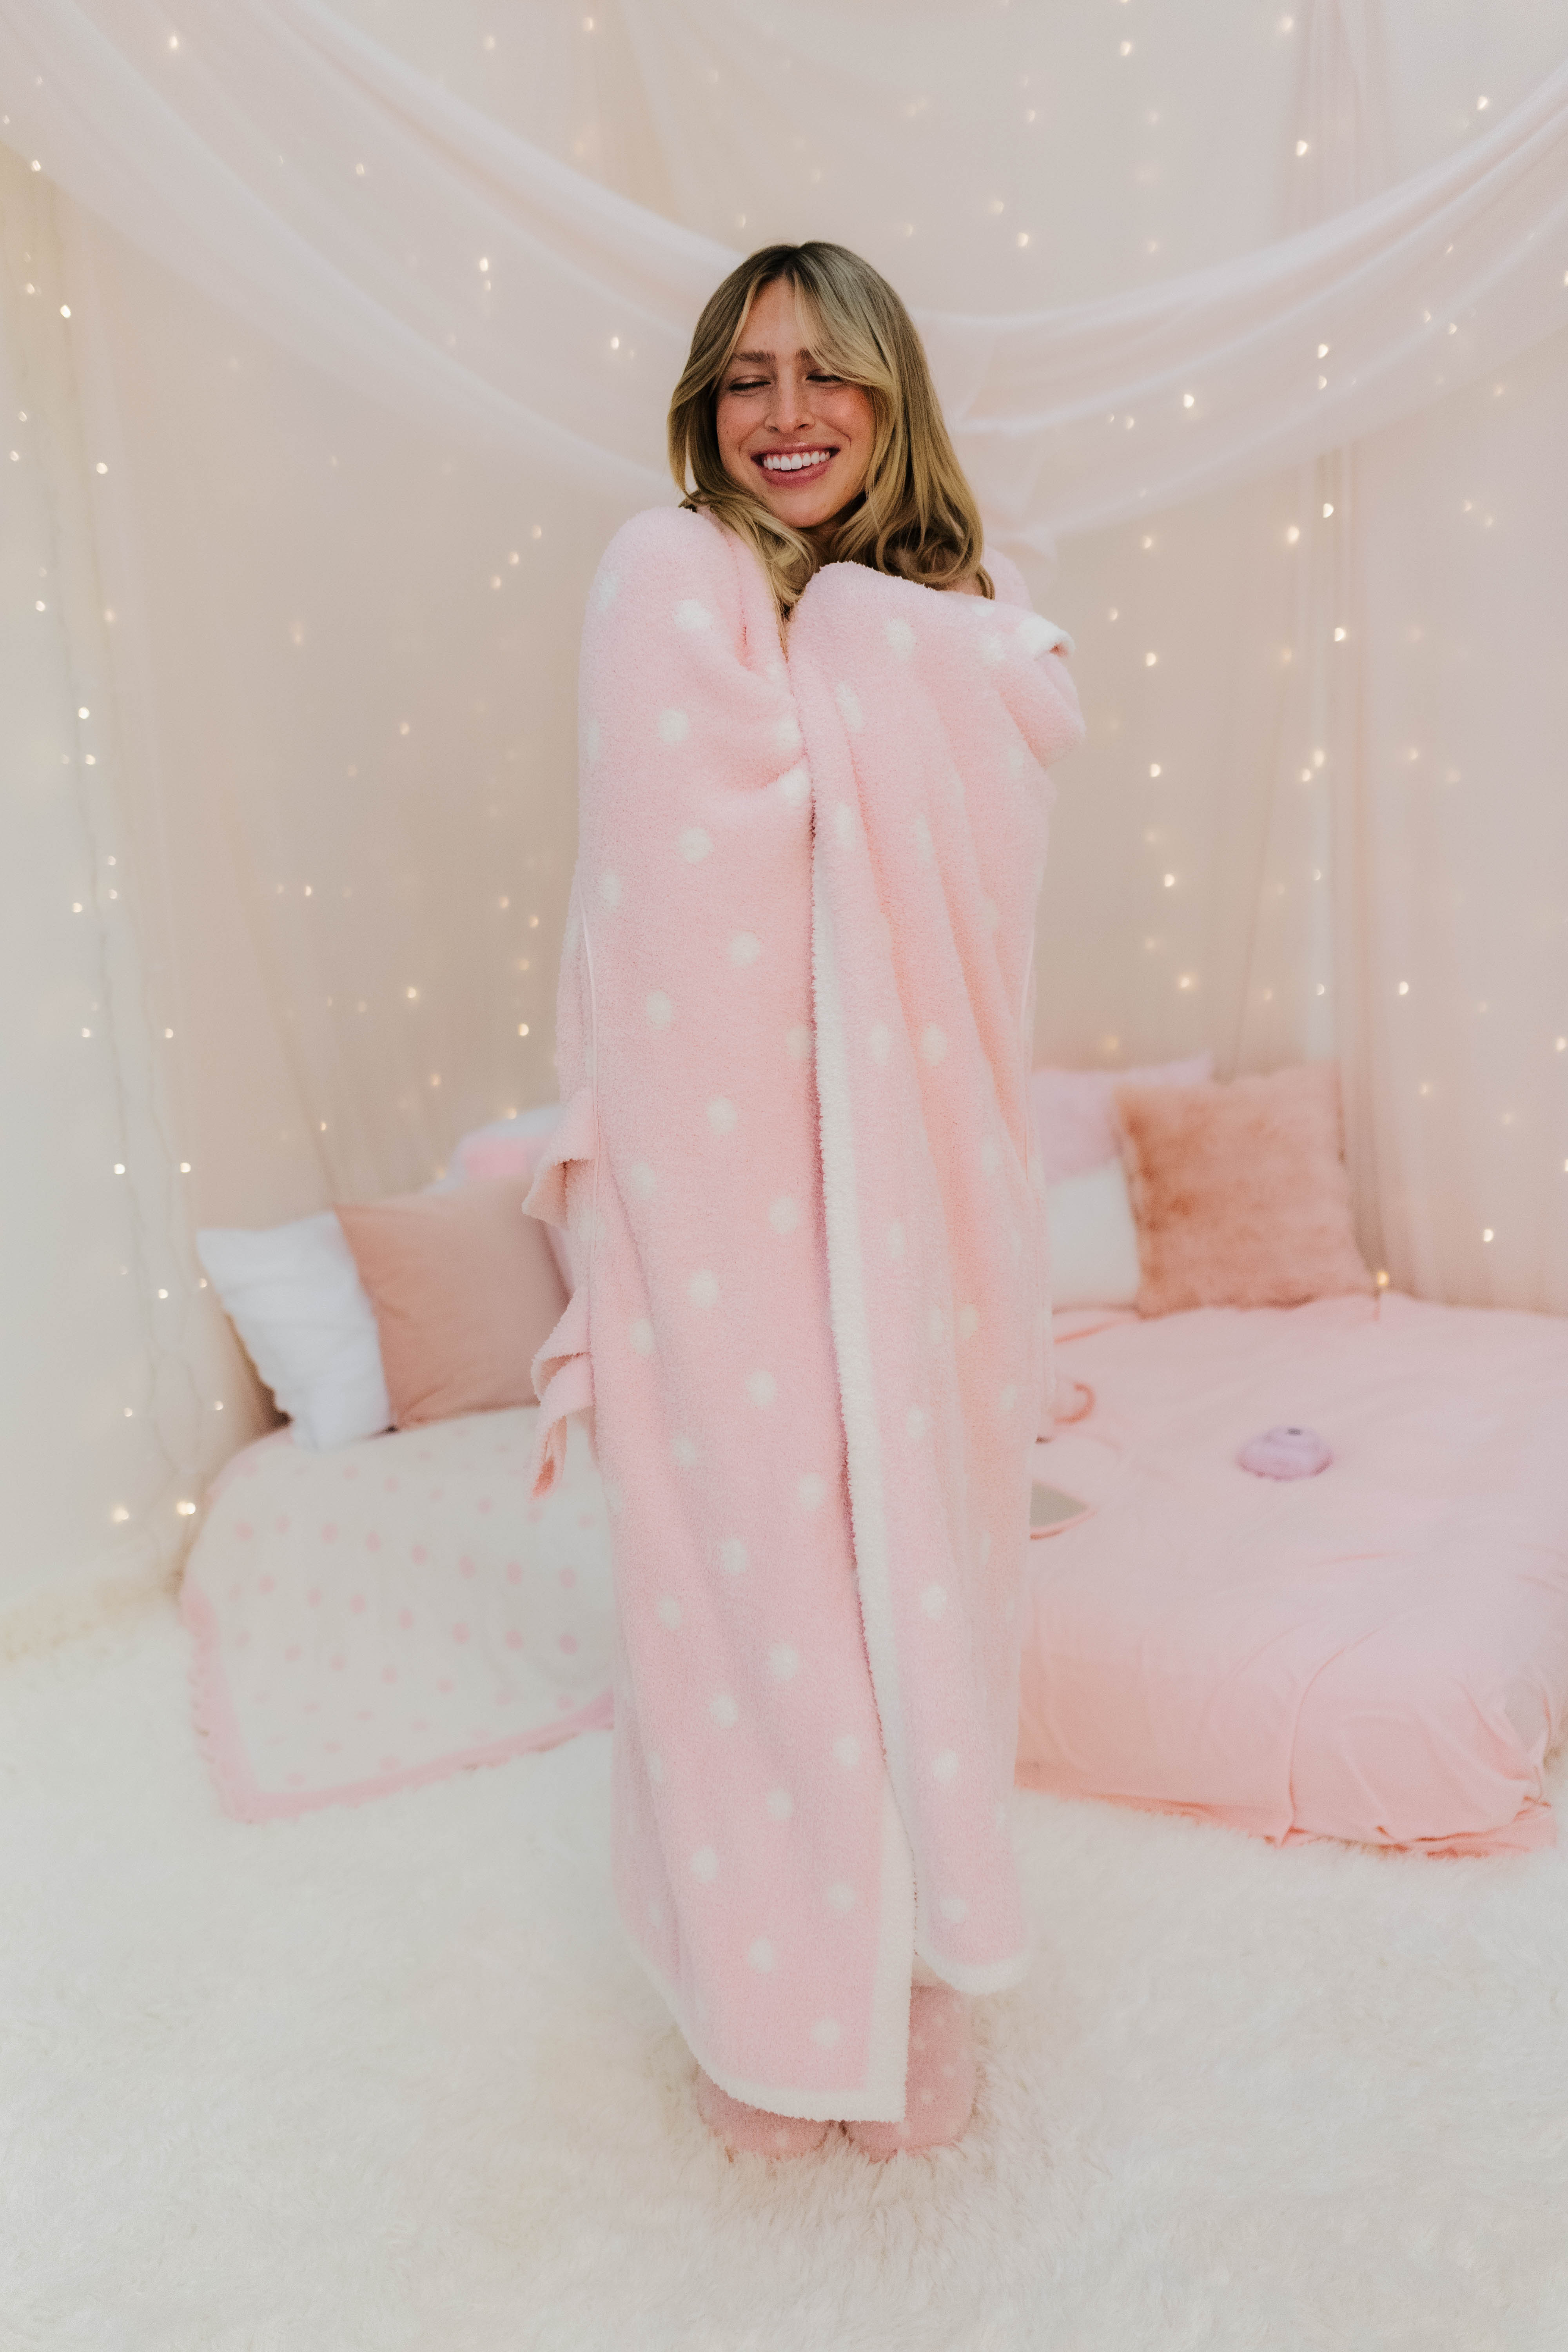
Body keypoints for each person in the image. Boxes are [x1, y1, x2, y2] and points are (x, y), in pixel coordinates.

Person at [525, 242, 1083, 2161]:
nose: (786, 413)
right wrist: (851, 661)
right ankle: (771, 2018)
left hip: (921, 1208)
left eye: (826, 374)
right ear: (705, 400)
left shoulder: (943, 616)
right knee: (747, 1598)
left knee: (920, 1586)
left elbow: (978, 928)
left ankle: (911, 1973)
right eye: (749, 373)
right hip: (730, 1213)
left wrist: (876, 643)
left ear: (888, 394)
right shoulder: (664, 581)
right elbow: (681, 901)